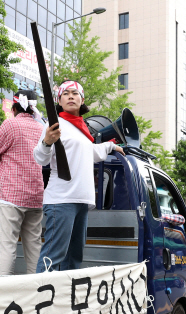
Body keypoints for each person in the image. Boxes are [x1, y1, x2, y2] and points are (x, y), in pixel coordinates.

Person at [33, 80, 124, 273]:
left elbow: (90, 152)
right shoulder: (55, 125)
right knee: (53, 257)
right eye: (66, 94)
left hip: (82, 200)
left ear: (82, 100)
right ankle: (40, 299)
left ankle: (64, 300)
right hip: (61, 200)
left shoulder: (83, 131)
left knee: (73, 259)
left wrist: (110, 146)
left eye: (75, 93)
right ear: (59, 100)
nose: (71, 96)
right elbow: (40, 158)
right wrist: (46, 142)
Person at [0, 90, 45, 275]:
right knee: (34, 247)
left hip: (12, 196)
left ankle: (4, 292)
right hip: (36, 196)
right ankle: (37, 290)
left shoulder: (10, 124)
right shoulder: (42, 128)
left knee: (7, 248)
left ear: (14, 107)